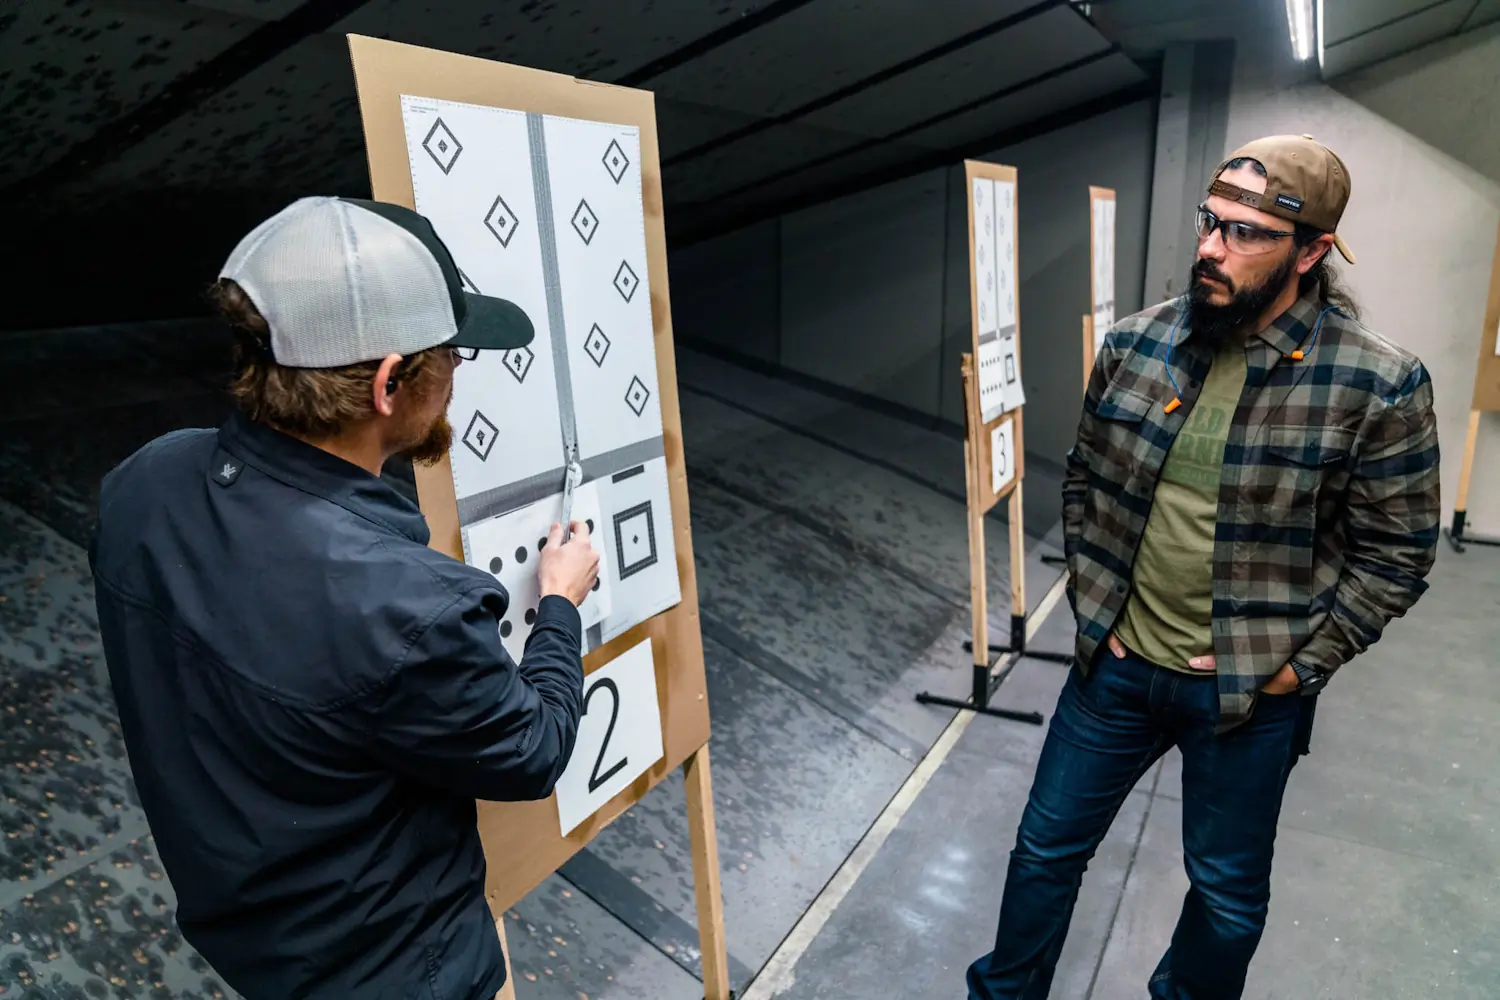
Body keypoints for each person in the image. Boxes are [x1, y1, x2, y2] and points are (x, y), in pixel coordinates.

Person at [88, 196, 601, 1000]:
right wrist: (560, 605)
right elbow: (533, 748)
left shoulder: (145, 482)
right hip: (402, 973)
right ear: (391, 383)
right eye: (453, 352)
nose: (458, 372)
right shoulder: (409, 608)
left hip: (254, 941)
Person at [966, 135, 1440, 999]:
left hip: (1248, 696)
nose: (1213, 249)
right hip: (1115, 671)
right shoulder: (1137, 344)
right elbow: (1084, 480)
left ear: (1310, 252)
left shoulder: (1378, 384)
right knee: (1041, 855)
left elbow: (1397, 556)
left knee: (1224, 902)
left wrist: (1297, 668)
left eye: (1245, 233)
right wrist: (1098, 608)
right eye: (1209, 223)